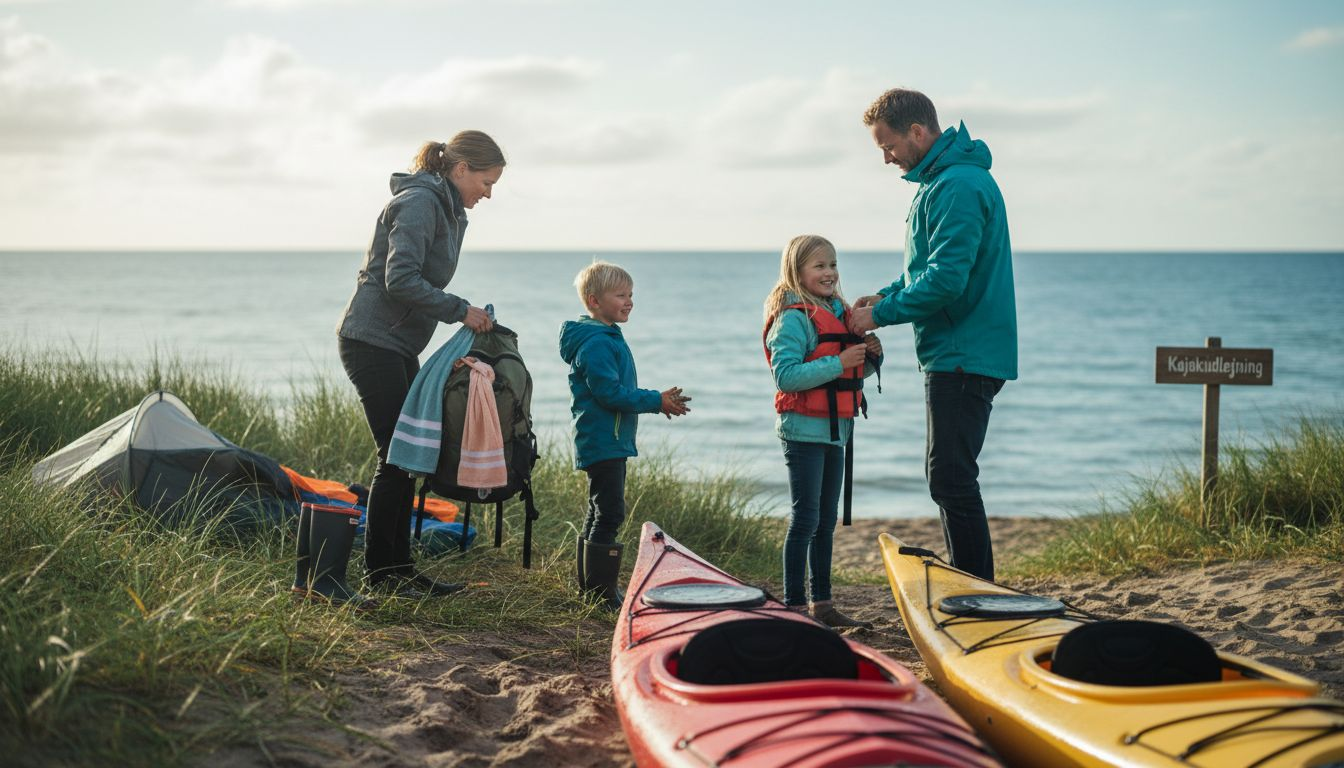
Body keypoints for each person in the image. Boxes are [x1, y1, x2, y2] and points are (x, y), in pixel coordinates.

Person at [848, 88, 1017, 581]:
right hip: (956, 349)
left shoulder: (957, 186)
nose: (886, 158)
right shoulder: (941, 183)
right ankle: (974, 584)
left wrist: (878, 319)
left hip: (964, 352)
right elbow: (927, 269)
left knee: (951, 478)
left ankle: (978, 590)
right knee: (948, 477)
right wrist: (883, 297)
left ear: (917, 132)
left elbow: (946, 281)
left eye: (888, 146)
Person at [336, 130, 504, 598]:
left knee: (407, 457)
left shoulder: (448, 208)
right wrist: (460, 310)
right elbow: (399, 278)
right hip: (370, 341)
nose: (487, 194)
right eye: (486, 182)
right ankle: (382, 576)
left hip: (396, 344)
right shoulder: (419, 202)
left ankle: (399, 570)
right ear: (461, 168)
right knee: (395, 459)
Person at [763, 235, 881, 629]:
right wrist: (839, 360)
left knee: (826, 520)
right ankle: (795, 607)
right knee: (805, 519)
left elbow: (851, 372)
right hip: (802, 432)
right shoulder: (793, 318)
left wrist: (869, 359)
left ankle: (823, 604)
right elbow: (787, 376)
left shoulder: (839, 311)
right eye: (819, 266)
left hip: (837, 430)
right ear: (797, 273)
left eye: (833, 265)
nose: (829, 273)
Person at [558, 261, 690, 609]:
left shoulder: (604, 335)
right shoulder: (597, 342)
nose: (629, 301)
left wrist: (656, 402)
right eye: (620, 295)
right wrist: (656, 400)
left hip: (605, 437)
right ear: (594, 300)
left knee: (598, 509)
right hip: (603, 438)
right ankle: (601, 594)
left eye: (631, 294)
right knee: (610, 511)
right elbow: (610, 394)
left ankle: (589, 590)